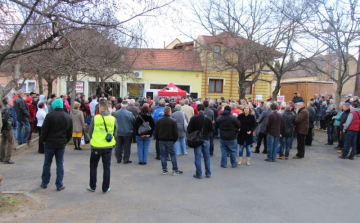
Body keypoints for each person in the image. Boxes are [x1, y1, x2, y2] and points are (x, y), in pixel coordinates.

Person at [40, 99, 72, 191]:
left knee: (47, 163)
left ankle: (44, 182)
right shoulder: (67, 117)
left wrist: (44, 140)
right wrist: (65, 141)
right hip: (61, 143)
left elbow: (44, 130)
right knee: (60, 163)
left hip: (50, 143)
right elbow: (70, 132)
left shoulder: (49, 116)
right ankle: (59, 184)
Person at [87, 100, 116, 193]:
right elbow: (115, 133)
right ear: (108, 108)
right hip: (108, 146)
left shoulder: (95, 118)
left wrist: (94, 139)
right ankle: (105, 187)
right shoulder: (113, 119)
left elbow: (90, 132)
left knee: (93, 166)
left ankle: (92, 186)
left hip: (96, 145)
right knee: (106, 167)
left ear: (100, 108)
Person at [187, 104, 214, 179]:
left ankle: (199, 174)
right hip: (205, 139)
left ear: (197, 110)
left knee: (197, 157)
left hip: (197, 140)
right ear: (204, 110)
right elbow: (212, 130)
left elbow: (189, 129)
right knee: (207, 157)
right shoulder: (208, 119)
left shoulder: (193, 118)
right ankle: (208, 173)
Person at [155, 106, 183, 175]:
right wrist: (174, 140)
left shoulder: (159, 120)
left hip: (161, 139)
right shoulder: (173, 121)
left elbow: (156, 131)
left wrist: (158, 139)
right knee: (172, 155)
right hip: (170, 140)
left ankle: (164, 169)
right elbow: (175, 132)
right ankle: (175, 170)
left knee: (163, 155)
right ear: (169, 112)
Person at [1, 97, 16, 164]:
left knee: (3, 142)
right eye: (10, 100)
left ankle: (2, 157)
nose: (12, 101)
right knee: (11, 142)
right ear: (7, 102)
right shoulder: (7, 108)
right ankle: (7, 158)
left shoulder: (3, 108)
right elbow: (5, 119)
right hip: (8, 127)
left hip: (4, 127)